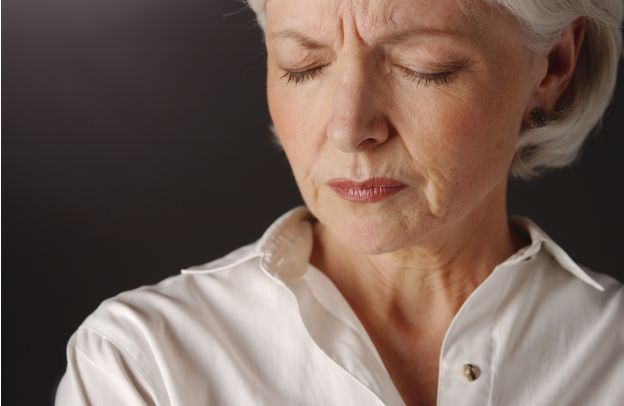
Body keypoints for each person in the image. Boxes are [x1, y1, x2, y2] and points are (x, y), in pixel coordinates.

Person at [55, 0, 624, 405]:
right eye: (304, 66)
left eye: (422, 66)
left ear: (553, 66)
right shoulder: (142, 363)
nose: (350, 128)